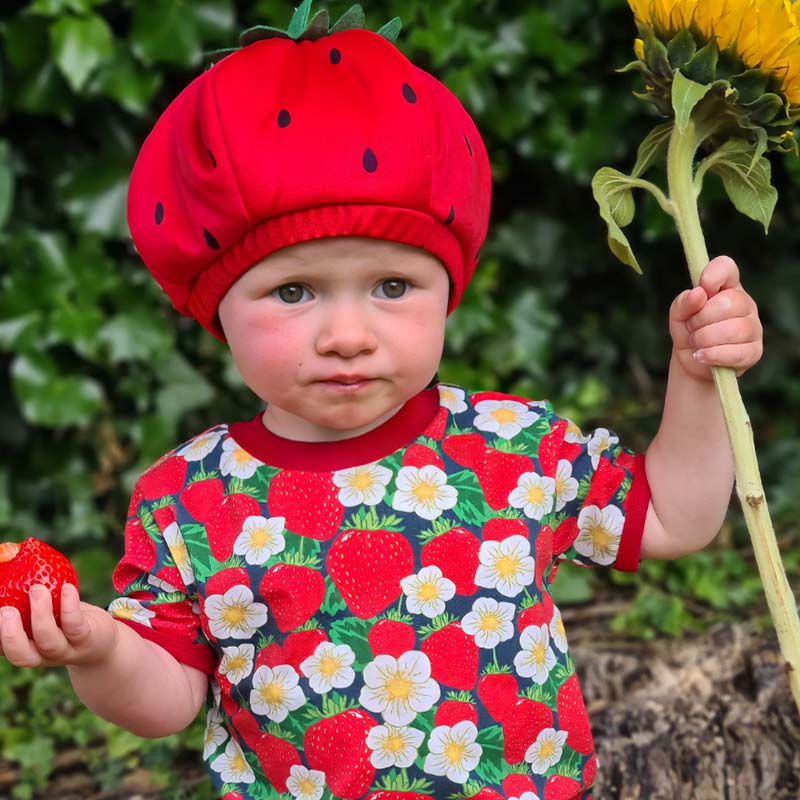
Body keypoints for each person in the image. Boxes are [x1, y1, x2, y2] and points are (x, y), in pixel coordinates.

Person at [0, 5, 763, 799]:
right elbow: (167, 700)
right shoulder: (189, 502)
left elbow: (675, 516)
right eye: (292, 291)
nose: (347, 334)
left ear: (449, 290)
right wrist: (100, 651)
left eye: (393, 286)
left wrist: (699, 376)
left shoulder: (511, 448)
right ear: (211, 302)